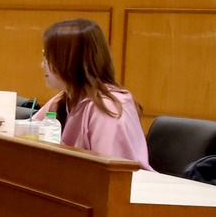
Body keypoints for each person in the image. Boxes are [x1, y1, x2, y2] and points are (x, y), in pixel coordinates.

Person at [29, 18, 151, 169]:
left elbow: (109, 171)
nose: (42, 64)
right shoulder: (64, 98)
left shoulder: (108, 107)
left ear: (70, 60)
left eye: (48, 57)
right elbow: (28, 133)